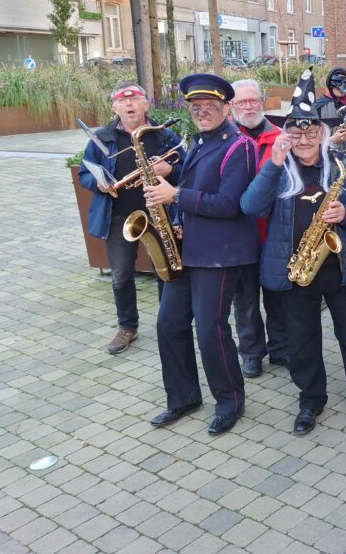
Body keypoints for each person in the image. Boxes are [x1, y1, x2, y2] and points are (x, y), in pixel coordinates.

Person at [241, 68, 346, 436]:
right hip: (296, 273)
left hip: (340, 270)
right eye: (295, 132)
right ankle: (311, 400)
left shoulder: (344, 167)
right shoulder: (277, 170)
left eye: (310, 132)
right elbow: (250, 206)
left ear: (322, 133)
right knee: (302, 344)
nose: (303, 139)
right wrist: (272, 164)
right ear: (286, 134)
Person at [145, 73, 260, 435]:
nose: (203, 112)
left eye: (210, 107)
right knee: (169, 324)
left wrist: (174, 195)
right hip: (191, 250)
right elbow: (200, 182)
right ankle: (183, 397)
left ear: (226, 108)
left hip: (221, 254)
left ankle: (230, 402)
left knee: (210, 331)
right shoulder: (199, 141)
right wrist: (174, 173)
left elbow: (230, 204)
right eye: (197, 107)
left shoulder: (239, 146)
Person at [78, 83, 181, 354]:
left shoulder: (163, 135)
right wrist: (98, 184)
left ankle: (169, 322)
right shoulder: (102, 139)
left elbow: (185, 170)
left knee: (166, 271)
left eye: (135, 99)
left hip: (158, 214)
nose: (129, 104)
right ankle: (127, 326)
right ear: (114, 107)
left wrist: (169, 167)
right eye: (122, 101)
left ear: (146, 104)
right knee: (121, 275)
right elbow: (85, 173)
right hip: (119, 216)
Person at [229, 78, 288, 377]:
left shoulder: (280, 137)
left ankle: (280, 347)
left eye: (253, 101)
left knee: (277, 293)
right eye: (242, 102)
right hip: (239, 233)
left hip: (274, 230)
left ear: (263, 102)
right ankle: (251, 351)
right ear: (232, 107)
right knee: (246, 297)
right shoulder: (226, 139)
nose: (249, 107)